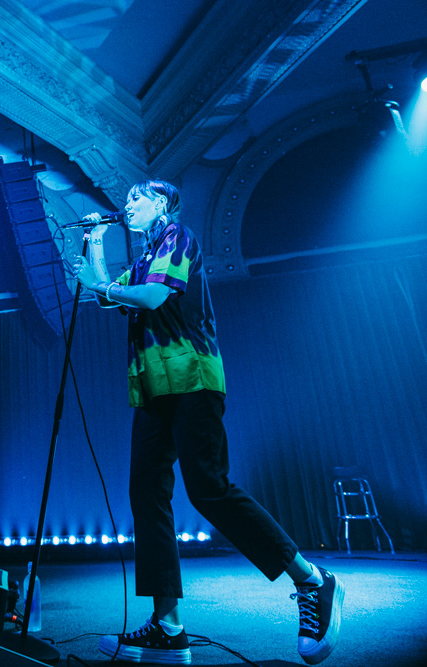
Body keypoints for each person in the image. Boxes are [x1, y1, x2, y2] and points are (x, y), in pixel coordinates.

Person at [72, 179, 344, 666]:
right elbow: (111, 297)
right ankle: (168, 627)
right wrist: (95, 245)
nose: (126, 206)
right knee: (146, 494)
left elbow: (151, 297)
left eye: (136, 198)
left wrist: (100, 284)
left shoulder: (178, 236)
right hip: (152, 387)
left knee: (208, 489)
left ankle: (312, 580)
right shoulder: (146, 254)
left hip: (192, 377)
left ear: (161, 202)